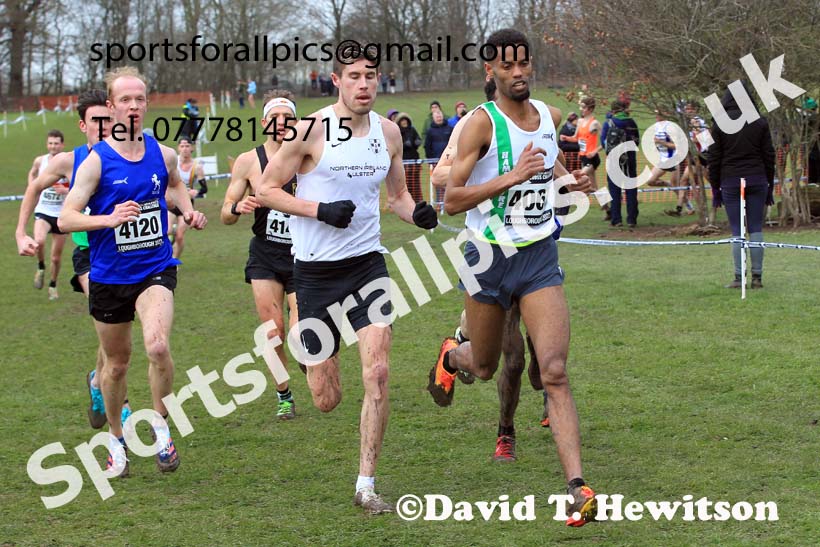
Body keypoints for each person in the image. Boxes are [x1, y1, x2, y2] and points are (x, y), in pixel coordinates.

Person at [427, 29, 597, 526]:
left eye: (524, 64)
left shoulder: (547, 115)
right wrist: (510, 178)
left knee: (555, 371)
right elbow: (451, 199)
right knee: (482, 367)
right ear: (490, 72)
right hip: (487, 259)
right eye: (507, 66)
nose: (518, 72)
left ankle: (577, 488)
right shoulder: (479, 125)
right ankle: (450, 354)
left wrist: (570, 180)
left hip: (538, 256)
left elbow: (551, 159)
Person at [257, 50, 438, 514]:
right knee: (326, 399)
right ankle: (307, 342)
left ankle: (366, 484)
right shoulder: (308, 130)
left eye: (371, 76)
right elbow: (267, 190)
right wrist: (319, 211)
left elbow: (396, 194)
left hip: (367, 266)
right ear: (336, 80)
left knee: (377, 372)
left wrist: (414, 211)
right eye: (354, 76)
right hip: (315, 273)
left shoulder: (389, 132)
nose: (364, 84)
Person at [59, 67, 207, 477]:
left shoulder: (162, 153)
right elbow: (67, 219)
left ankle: (161, 427)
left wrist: (189, 210)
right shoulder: (96, 162)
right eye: (125, 100)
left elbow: (175, 185)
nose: (134, 106)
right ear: (111, 107)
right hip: (109, 276)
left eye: (140, 99)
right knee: (116, 365)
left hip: (154, 268)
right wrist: (108, 220)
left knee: (157, 346)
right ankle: (116, 439)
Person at [15, 89, 132, 430]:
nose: (104, 127)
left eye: (108, 120)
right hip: (89, 254)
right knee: (109, 319)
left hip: (127, 254)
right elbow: (34, 188)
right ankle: (120, 403)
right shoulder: (70, 159)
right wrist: (20, 232)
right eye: (96, 122)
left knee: (114, 331)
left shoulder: (130, 154)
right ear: (83, 125)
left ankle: (98, 380)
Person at [221, 89, 302, 420]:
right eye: (275, 119)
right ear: (264, 123)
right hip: (265, 254)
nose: (282, 125)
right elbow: (225, 212)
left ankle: (309, 360)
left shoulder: (309, 156)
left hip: (302, 252)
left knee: (300, 335)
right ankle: (284, 395)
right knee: (273, 331)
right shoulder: (248, 161)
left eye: (289, 119)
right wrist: (238, 206)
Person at [708, 84, 775, 289]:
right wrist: (770, 186)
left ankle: (739, 277)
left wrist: (715, 188)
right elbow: (769, 155)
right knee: (755, 228)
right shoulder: (759, 121)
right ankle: (757, 277)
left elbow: (714, 159)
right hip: (757, 179)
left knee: (737, 229)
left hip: (730, 181)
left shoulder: (719, 123)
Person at [26, 129, 68, 300]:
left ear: (62, 145)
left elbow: (79, 185)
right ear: (47, 144)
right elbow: (32, 172)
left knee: (56, 258)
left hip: (61, 215)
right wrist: (33, 187)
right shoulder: (40, 161)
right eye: (50, 143)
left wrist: (64, 190)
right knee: (40, 241)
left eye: (56, 143)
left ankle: (53, 284)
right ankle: (41, 266)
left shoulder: (68, 162)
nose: (53, 146)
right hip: (43, 210)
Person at [561, 97, 609, 219]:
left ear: (590, 109)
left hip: (592, 159)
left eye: (584, 107)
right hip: (583, 158)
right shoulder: (580, 122)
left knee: (579, 177)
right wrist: (566, 138)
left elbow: (606, 140)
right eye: (581, 107)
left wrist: (595, 151)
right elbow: (576, 138)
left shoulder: (595, 123)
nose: (581, 110)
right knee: (594, 187)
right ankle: (609, 209)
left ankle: (565, 203)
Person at [601, 100, 640, 228]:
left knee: (614, 189)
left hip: (613, 160)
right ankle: (631, 219)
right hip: (629, 159)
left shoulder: (609, 123)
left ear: (613, 110)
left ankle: (616, 219)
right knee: (630, 188)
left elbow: (603, 142)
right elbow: (637, 141)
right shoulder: (631, 122)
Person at [167, 137, 205, 259]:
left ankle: (175, 259)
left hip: (186, 204)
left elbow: (204, 189)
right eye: (182, 146)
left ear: (192, 148)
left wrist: (196, 192)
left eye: (187, 146)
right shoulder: (173, 162)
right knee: (166, 231)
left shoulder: (197, 167)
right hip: (172, 203)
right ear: (178, 148)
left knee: (179, 235)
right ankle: (165, 256)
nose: (184, 149)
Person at [396, 112, 423, 202]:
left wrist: (417, 142)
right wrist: (404, 145)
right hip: (404, 160)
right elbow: (396, 146)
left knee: (415, 181)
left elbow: (418, 138)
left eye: (405, 121)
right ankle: (407, 200)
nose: (404, 122)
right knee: (406, 182)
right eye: (402, 121)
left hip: (414, 158)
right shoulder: (397, 132)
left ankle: (417, 199)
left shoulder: (412, 130)